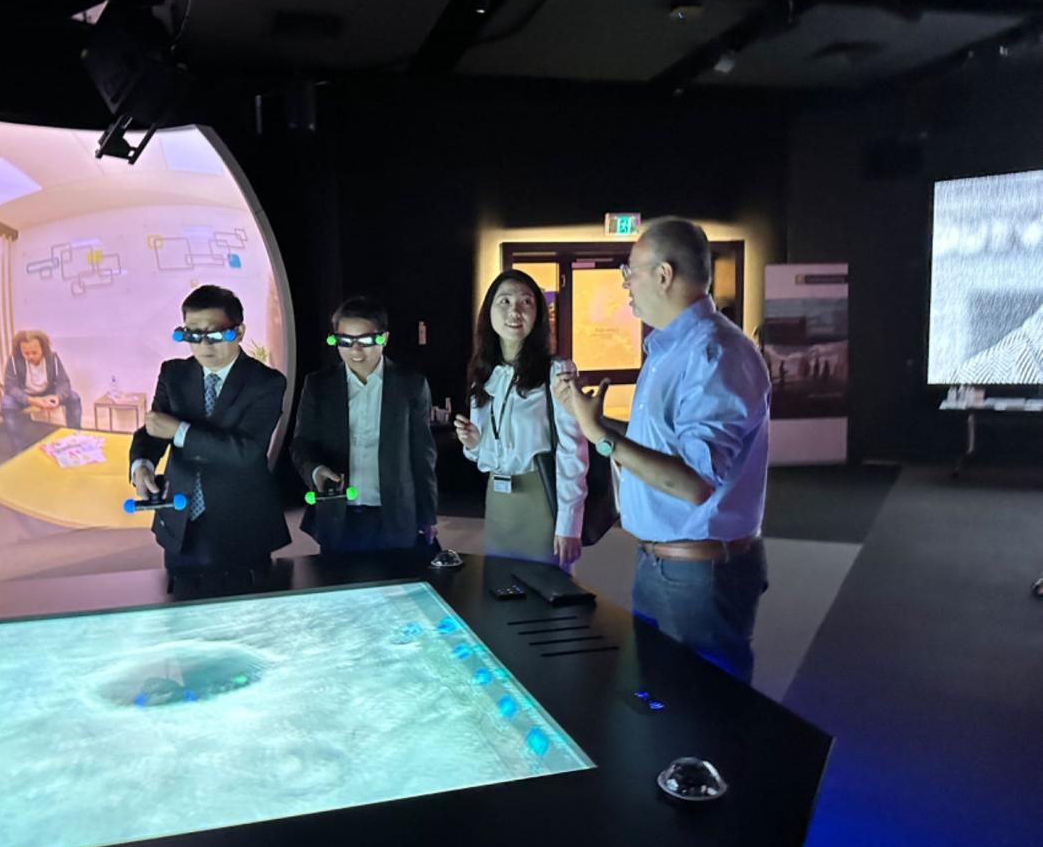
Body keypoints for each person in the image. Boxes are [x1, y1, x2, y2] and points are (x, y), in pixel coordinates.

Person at [554, 217, 771, 682]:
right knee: (661, 697)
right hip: (663, 565)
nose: (625, 284)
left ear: (664, 274)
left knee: (703, 706)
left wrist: (601, 436)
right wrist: (589, 420)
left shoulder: (715, 353)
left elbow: (694, 483)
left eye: (629, 272)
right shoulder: (671, 350)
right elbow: (658, 446)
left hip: (700, 574)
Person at [129, 285, 290, 596]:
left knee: (245, 608)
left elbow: (246, 452)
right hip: (180, 519)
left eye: (214, 334)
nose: (203, 345)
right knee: (181, 607)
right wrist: (142, 464)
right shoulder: (173, 373)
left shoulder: (266, 382)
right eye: (192, 334)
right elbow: (154, 429)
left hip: (241, 522)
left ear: (239, 332)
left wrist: (180, 431)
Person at [454, 271, 587, 567]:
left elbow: (573, 451)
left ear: (538, 313)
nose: (515, 311)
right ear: (489, 311)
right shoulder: (483, 373)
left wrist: (569, 523)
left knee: (545, 587)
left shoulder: (557, 371)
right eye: (505, 301)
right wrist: (474, 443)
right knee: (498, 584)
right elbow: (484, 456)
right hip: (499, 500)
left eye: (526, 302)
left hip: (541, 498)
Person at [291, 297, 437, 553]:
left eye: (366, 341)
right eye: (345, 341)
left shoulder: (410, 384)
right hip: (338, 513)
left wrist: (428, 514)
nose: (355, 351)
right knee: (337, 577)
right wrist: (316, 471)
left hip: (394, 512)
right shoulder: (319, 385)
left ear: (384, 338)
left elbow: (422, 454)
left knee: (398, 577)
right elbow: (302, 444)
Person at [0, 330, 82, 449]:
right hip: (25, 396)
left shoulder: (52, 358)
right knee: (7, 404)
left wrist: (57, 397)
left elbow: (63, 382)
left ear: (43, 349)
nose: (30, 356)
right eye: (26, 353)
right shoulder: (13, 360)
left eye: (34, 352)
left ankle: (75, 437)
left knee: (74, 397)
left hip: (48, 393)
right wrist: (31, 400)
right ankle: (19, 448)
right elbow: (11, 387)